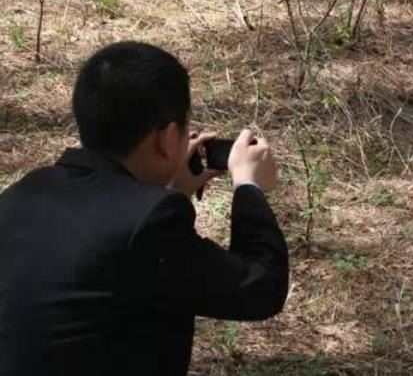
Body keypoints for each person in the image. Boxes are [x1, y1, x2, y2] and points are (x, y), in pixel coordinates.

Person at [0, 41, 289, 376]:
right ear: (165, 139)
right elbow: (259, 289)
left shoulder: (22, 194)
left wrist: (173, 190)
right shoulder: (150, 223)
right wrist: (248, 186)